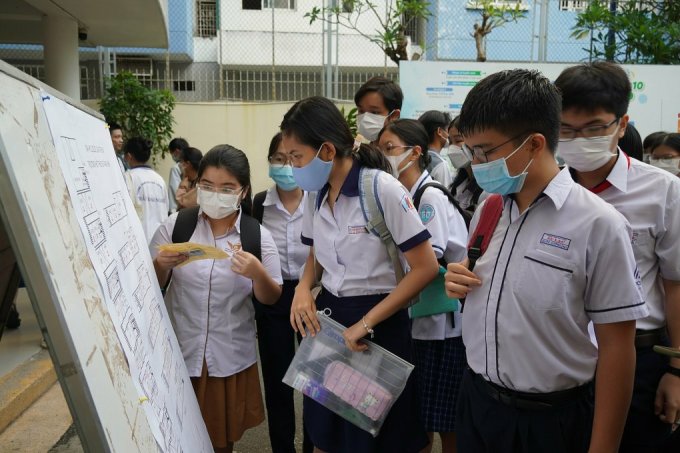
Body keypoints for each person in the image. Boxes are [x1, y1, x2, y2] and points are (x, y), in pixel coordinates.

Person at [444, 69, 648, 453]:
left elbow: (618, 348)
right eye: (470, 151)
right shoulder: (489, 207)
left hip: (550, 421)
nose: (475, 163)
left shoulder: (599, 225)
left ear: (535, 143)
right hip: (478, 404)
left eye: (485, 151)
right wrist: (458, 285)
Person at [282, 96, 438, 453]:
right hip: (331, 325)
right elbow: (315, 254)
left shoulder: (381, 188)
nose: (292, 167)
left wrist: (366, 323)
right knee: (327, 435)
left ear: (325, 150)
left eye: (296, 157)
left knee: (382, 437)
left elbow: (425, 267)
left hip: (379, 327)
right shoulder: (315, 194)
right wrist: (304, 288)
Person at [555, 61, 680, 452]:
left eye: (594, 128)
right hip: (561, 362)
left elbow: (675, 284)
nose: (579, 140)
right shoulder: (546, 191)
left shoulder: (661, 192)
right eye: (566, 130)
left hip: (639, 360)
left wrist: (676, 369)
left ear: (621, 125)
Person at [151, 145, 283, 453]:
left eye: (227, 188)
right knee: (173, 437)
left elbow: (271, 296)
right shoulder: (176, 226)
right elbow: (148, 288)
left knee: (218, 443)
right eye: (207, 186)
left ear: (243, 191)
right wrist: (160, 265)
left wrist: (257, 273)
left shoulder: (257, 236)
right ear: (197, 184)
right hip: (179, 353)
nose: (215, 194)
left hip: (226, 359)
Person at [378, 119, 467, 453]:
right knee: (420, 417)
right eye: (380, 150)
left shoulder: (428, 198)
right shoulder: (404, 194)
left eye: (390, 149)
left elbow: (428, 261)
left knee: (444, 420)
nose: (384, 157)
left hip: (440, 327)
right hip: (421, 321)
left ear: (415, 153)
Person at [252, 132, 312, 453]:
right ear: (270, 163)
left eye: (293, 158)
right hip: (273, 297)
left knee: (314, 383)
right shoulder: (259, 204)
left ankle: (313, 445)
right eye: (278, 159)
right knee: (278, 383)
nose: (286, 165)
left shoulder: (317, 200)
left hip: (312, 297)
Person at [123, 137, 169, 243]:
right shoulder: (159, 179)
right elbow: (165, 209)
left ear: (128, 156)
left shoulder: (128, 177)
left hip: (138, 241)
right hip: (160, 240)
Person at [447, 116, 485, 213]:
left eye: (458, 140)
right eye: (450, 141)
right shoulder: (457, 184)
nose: (452, 147)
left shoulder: (487, 187)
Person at [354, 76, 402, 142]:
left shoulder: (401, 151)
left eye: (374, 112)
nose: (365, 118)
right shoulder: (363, 149)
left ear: (394, 116)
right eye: (361, 111)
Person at [418, 110, 454, 187]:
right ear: (439, 131)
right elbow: (445, 195)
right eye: (448, 130)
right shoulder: (440, 164)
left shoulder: (416, 157)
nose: (449, 135)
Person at [168, 137, 189, 213]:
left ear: (177, 151)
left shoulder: (176, 168)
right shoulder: (193, 165)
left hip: (177, 210)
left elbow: (175, 190)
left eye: (171, 153)